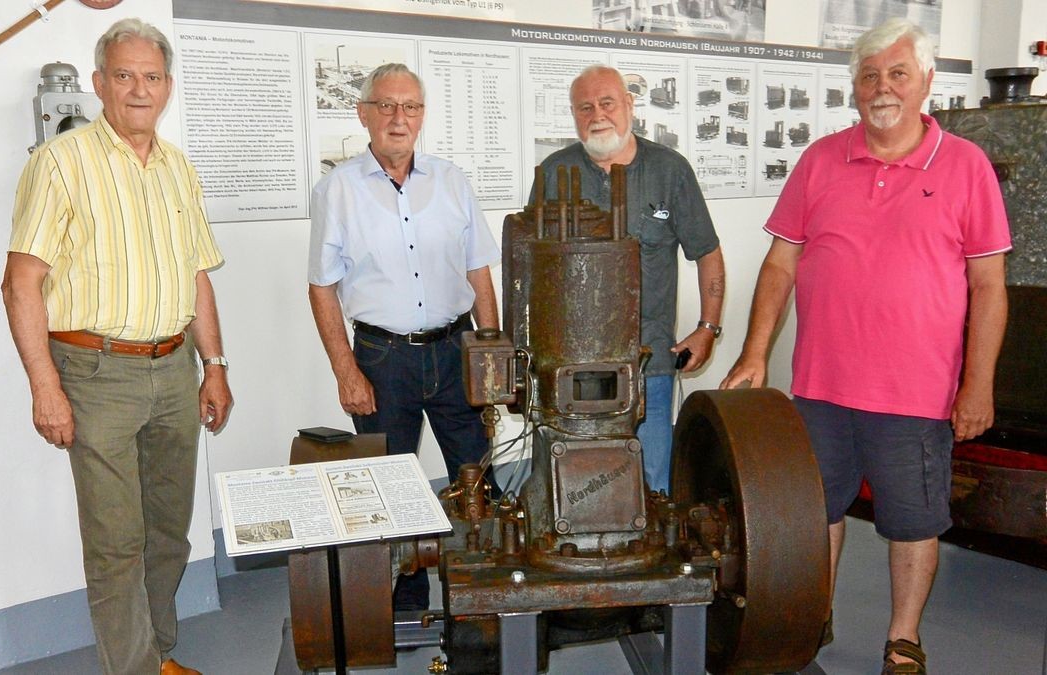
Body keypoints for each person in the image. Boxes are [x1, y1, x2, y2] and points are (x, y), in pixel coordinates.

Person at [721, 18, 1009, 674]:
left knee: (912, 521)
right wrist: (756, 351)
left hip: (916, 393)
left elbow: (989, 285)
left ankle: (902, 636)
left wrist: (978, 382)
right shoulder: (821, 159)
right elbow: (780, 264)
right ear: (854, 87)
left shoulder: (965, 168)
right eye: (870, 75)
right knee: (814, 511)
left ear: (927, 82)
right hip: (821, 386)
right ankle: (813, 613)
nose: (883, 88)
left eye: (897, 73)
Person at [1, 18, 232, 675]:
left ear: (168, 87)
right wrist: (46, 387)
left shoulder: (177, 169)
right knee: (115, 542)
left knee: (168, 533)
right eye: (125, 75)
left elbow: (197, 277)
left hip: (173, 367)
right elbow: (21, 284)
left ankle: (157, 653)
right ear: (99, 83)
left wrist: (213, 366)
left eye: (152, 77)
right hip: (94, 371)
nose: (140, 89)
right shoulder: (59, 163)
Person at [308, 63, 500, 611]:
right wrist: (346, 370)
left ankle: (484, 594)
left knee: (478, 474)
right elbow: (321, 288)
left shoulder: (451, 180)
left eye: (410, 107)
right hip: (381, 357)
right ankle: (407, 602)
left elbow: (479, 270)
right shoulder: (337, 189)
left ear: (421, 116)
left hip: (455, 349)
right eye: (386, 106)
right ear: (363, 114)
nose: (399, 118)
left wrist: (489, 351)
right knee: (388, 486)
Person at [535, 64, 725, 494]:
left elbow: (707, 252)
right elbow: (530, 265)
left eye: (607, 103)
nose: (597, 114)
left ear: (629, 106)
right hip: (571, 366)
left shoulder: (670, 171)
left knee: (651, 480)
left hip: (649, 362)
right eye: (585, 107)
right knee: (577, 484)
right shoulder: (552, 174)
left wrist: (707, 328)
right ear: (573, 114)